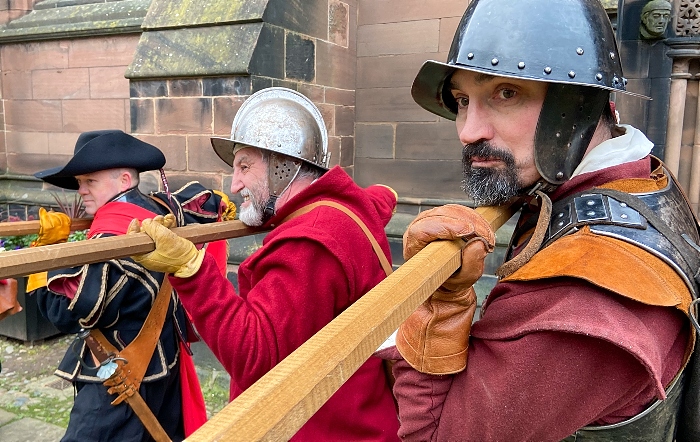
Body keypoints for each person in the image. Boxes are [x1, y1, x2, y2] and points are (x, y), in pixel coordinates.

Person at [380, 0, 700, 440]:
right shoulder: (638, 185)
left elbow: (432, 436)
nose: (468, 131)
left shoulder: (588, 291)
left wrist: (438, 302)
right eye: (461, 100)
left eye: (505, 93)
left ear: (577, 102)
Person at [127, 87, 401, 441]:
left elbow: (255, 357)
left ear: (283, 166)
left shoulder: (309, 243)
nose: (234, 183)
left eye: (244, 166)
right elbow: (377, 200)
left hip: (329, 428)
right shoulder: (344, 209)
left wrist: (189, 268)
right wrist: (385, 194)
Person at [30, 129, 233, 442]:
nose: (80, 191)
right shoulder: (163, 211)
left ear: (124, 180)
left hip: (119, 378)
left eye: (90, 182)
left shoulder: (112, 239)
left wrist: (43, 255)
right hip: (166, 368)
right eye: (80, 183)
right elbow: (203, 204)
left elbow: (67, 314)